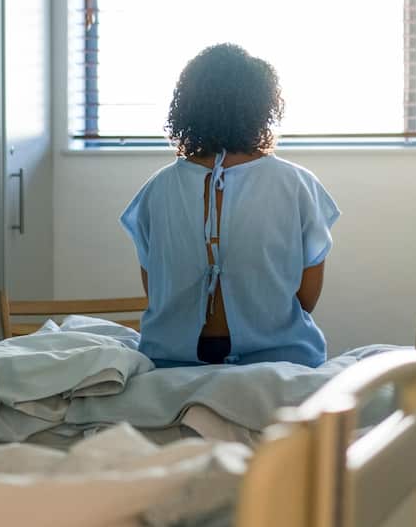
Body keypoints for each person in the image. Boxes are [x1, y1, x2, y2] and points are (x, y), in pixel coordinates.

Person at [119, 44, 339, 367]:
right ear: (262, 108)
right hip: (279, 363)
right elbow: (306, 300)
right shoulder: (299, 186)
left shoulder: (155, 191)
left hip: (172, 366)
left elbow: (157, 296)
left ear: (187, 108)